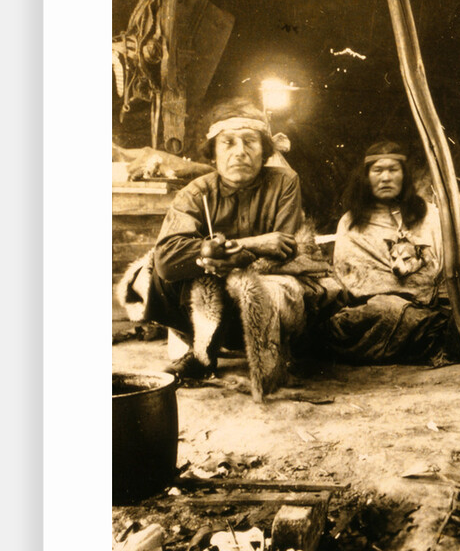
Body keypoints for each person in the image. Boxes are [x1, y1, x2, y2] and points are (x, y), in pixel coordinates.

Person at [118, 97, 340, 399]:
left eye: (250, 142)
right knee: (159, 275)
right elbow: (168, 257)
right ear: (213, 153)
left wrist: (222, 255)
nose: (240, 152)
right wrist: (245, 246)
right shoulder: (196, 192)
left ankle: (273, 354)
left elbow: (284, 247)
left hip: (262, 283)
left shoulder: (284, 182)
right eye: (229, 143)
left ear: (264, 152)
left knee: (278, 288)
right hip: (207, 289)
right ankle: (201, 353)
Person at [325, 140, 453, 363]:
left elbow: (441, 268)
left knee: (442, 322)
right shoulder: (351, 222)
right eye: (377, 171)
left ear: (404, 175)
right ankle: (418, 344)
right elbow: (348, 277)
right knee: (365, 318)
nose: (385, 178)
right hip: (372, 310)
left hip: (423, 307)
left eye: (393, 170)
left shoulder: (428, 215)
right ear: (366, 177)